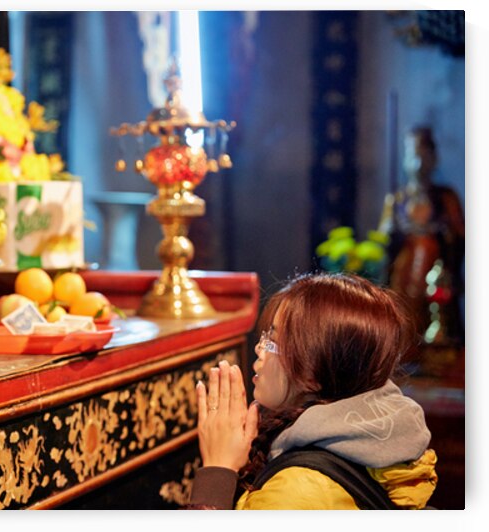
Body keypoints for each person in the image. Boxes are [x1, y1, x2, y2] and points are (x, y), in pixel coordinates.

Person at [188, 272, 438, 510]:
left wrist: (217, 470)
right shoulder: (379, 438)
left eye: (273, 341)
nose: (259, 348)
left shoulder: (295, 493)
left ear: (312, 373)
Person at [379, 126, 465, 343]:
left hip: (436, 280)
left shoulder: (446, 198)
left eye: (424, 153)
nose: (418, 159)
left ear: (434, 158)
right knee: (404, 330)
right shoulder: (397, 199)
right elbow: (382, 240)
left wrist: (440, 236)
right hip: (404, 280)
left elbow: (460, 236)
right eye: (413, 153)